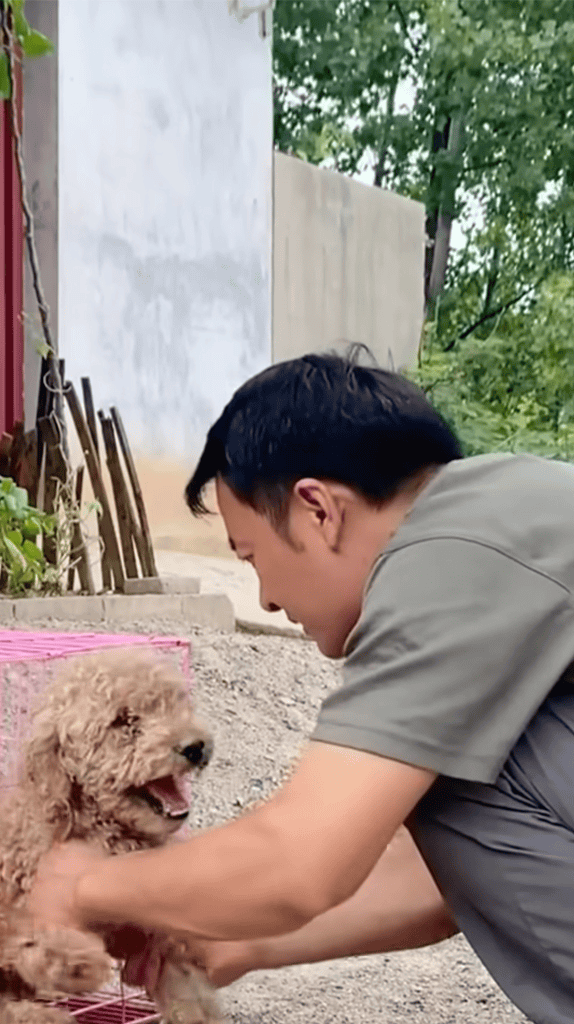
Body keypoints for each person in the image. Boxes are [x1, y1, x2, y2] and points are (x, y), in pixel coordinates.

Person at [34, 351, 574, 1024]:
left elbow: (301, 858)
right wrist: (242, 937)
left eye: (252, 555)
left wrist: (82, 885)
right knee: (441, 776)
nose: (263, 598)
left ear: (318, 509)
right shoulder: (502, 512)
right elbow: (459, 875)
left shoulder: (451, 557)